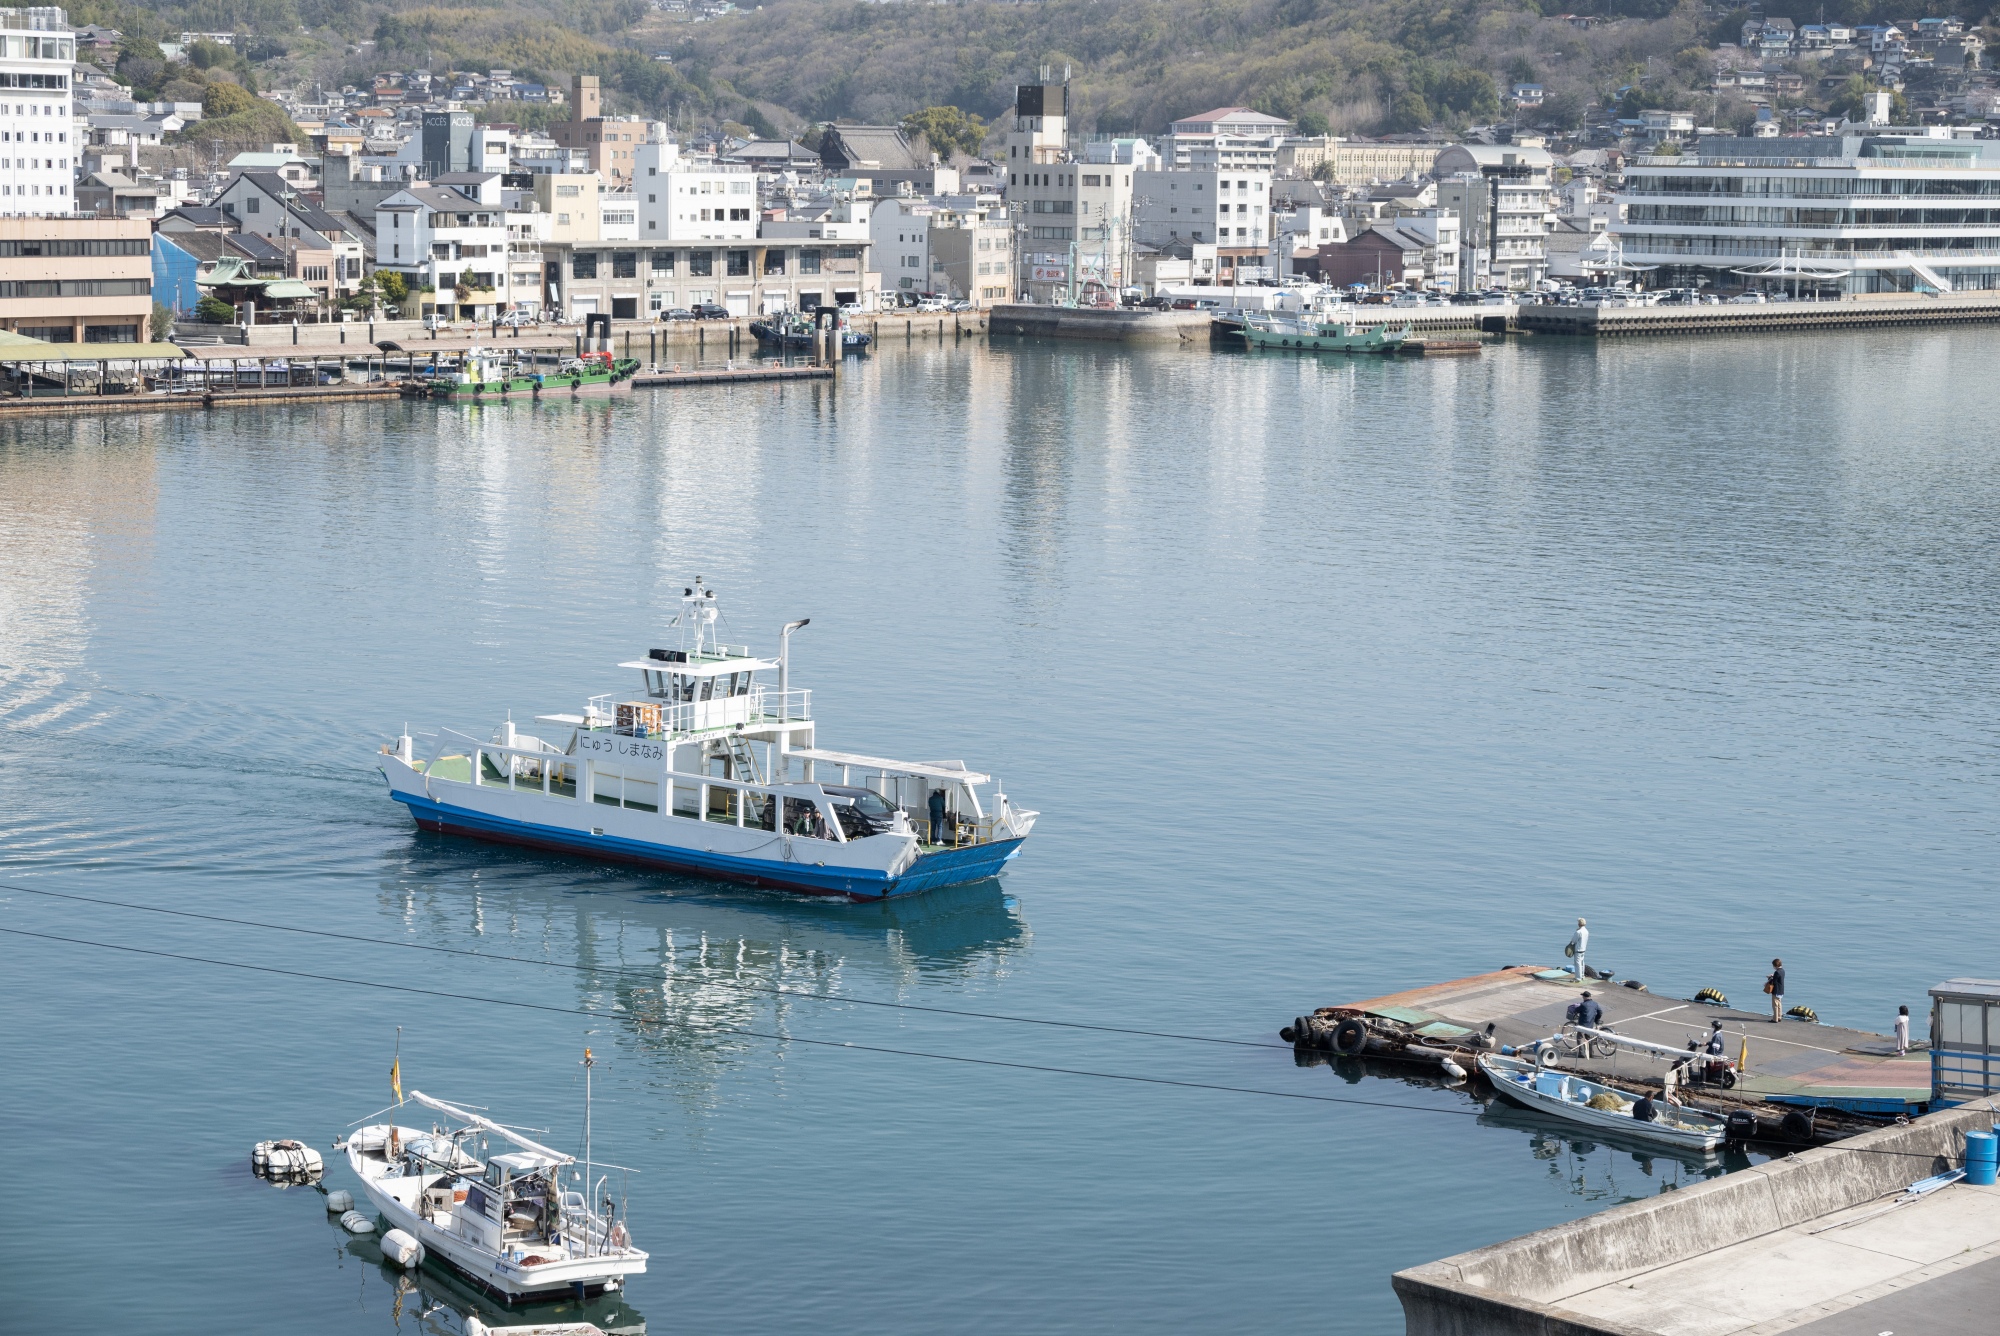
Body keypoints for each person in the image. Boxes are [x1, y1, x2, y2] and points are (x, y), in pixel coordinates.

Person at [1567, 917, 1589, 982]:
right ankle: (1582, 975)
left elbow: (1573, 941)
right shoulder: (1586, 931)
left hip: (1578, 950)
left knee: (1577, 964)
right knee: (1582, 963)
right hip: (1583, 949)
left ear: (1579, 924)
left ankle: (1578, 978)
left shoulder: (1578, 932)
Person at [1765, 958, 1786, 1023]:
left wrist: (1770, 978)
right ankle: (1779, 1017)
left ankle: (1775, 1019)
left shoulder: (1776, 972)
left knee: (1775, 1005)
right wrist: (1773, 976)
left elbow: (1774, 982)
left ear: (1775, 965)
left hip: (1776, 990)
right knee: (1779, 1004)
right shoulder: (1782, 971)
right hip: (1781, 990)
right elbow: (1778, 978)